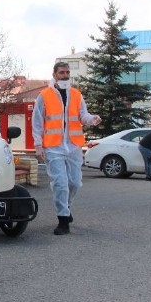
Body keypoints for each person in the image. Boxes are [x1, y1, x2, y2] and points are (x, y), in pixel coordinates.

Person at [32, 62, 102, 235]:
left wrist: (91, 119)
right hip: (53, 146)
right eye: (62, 72)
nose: (65, 75)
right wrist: (38, 145)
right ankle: (63, 219)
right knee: (60, 184)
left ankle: (67, 207)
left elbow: (82, 115)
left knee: (75, 182)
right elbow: (37, 121)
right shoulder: (44, 95)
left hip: (73, 145)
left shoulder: (76, 94)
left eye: (67, 72)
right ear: (54, 74)